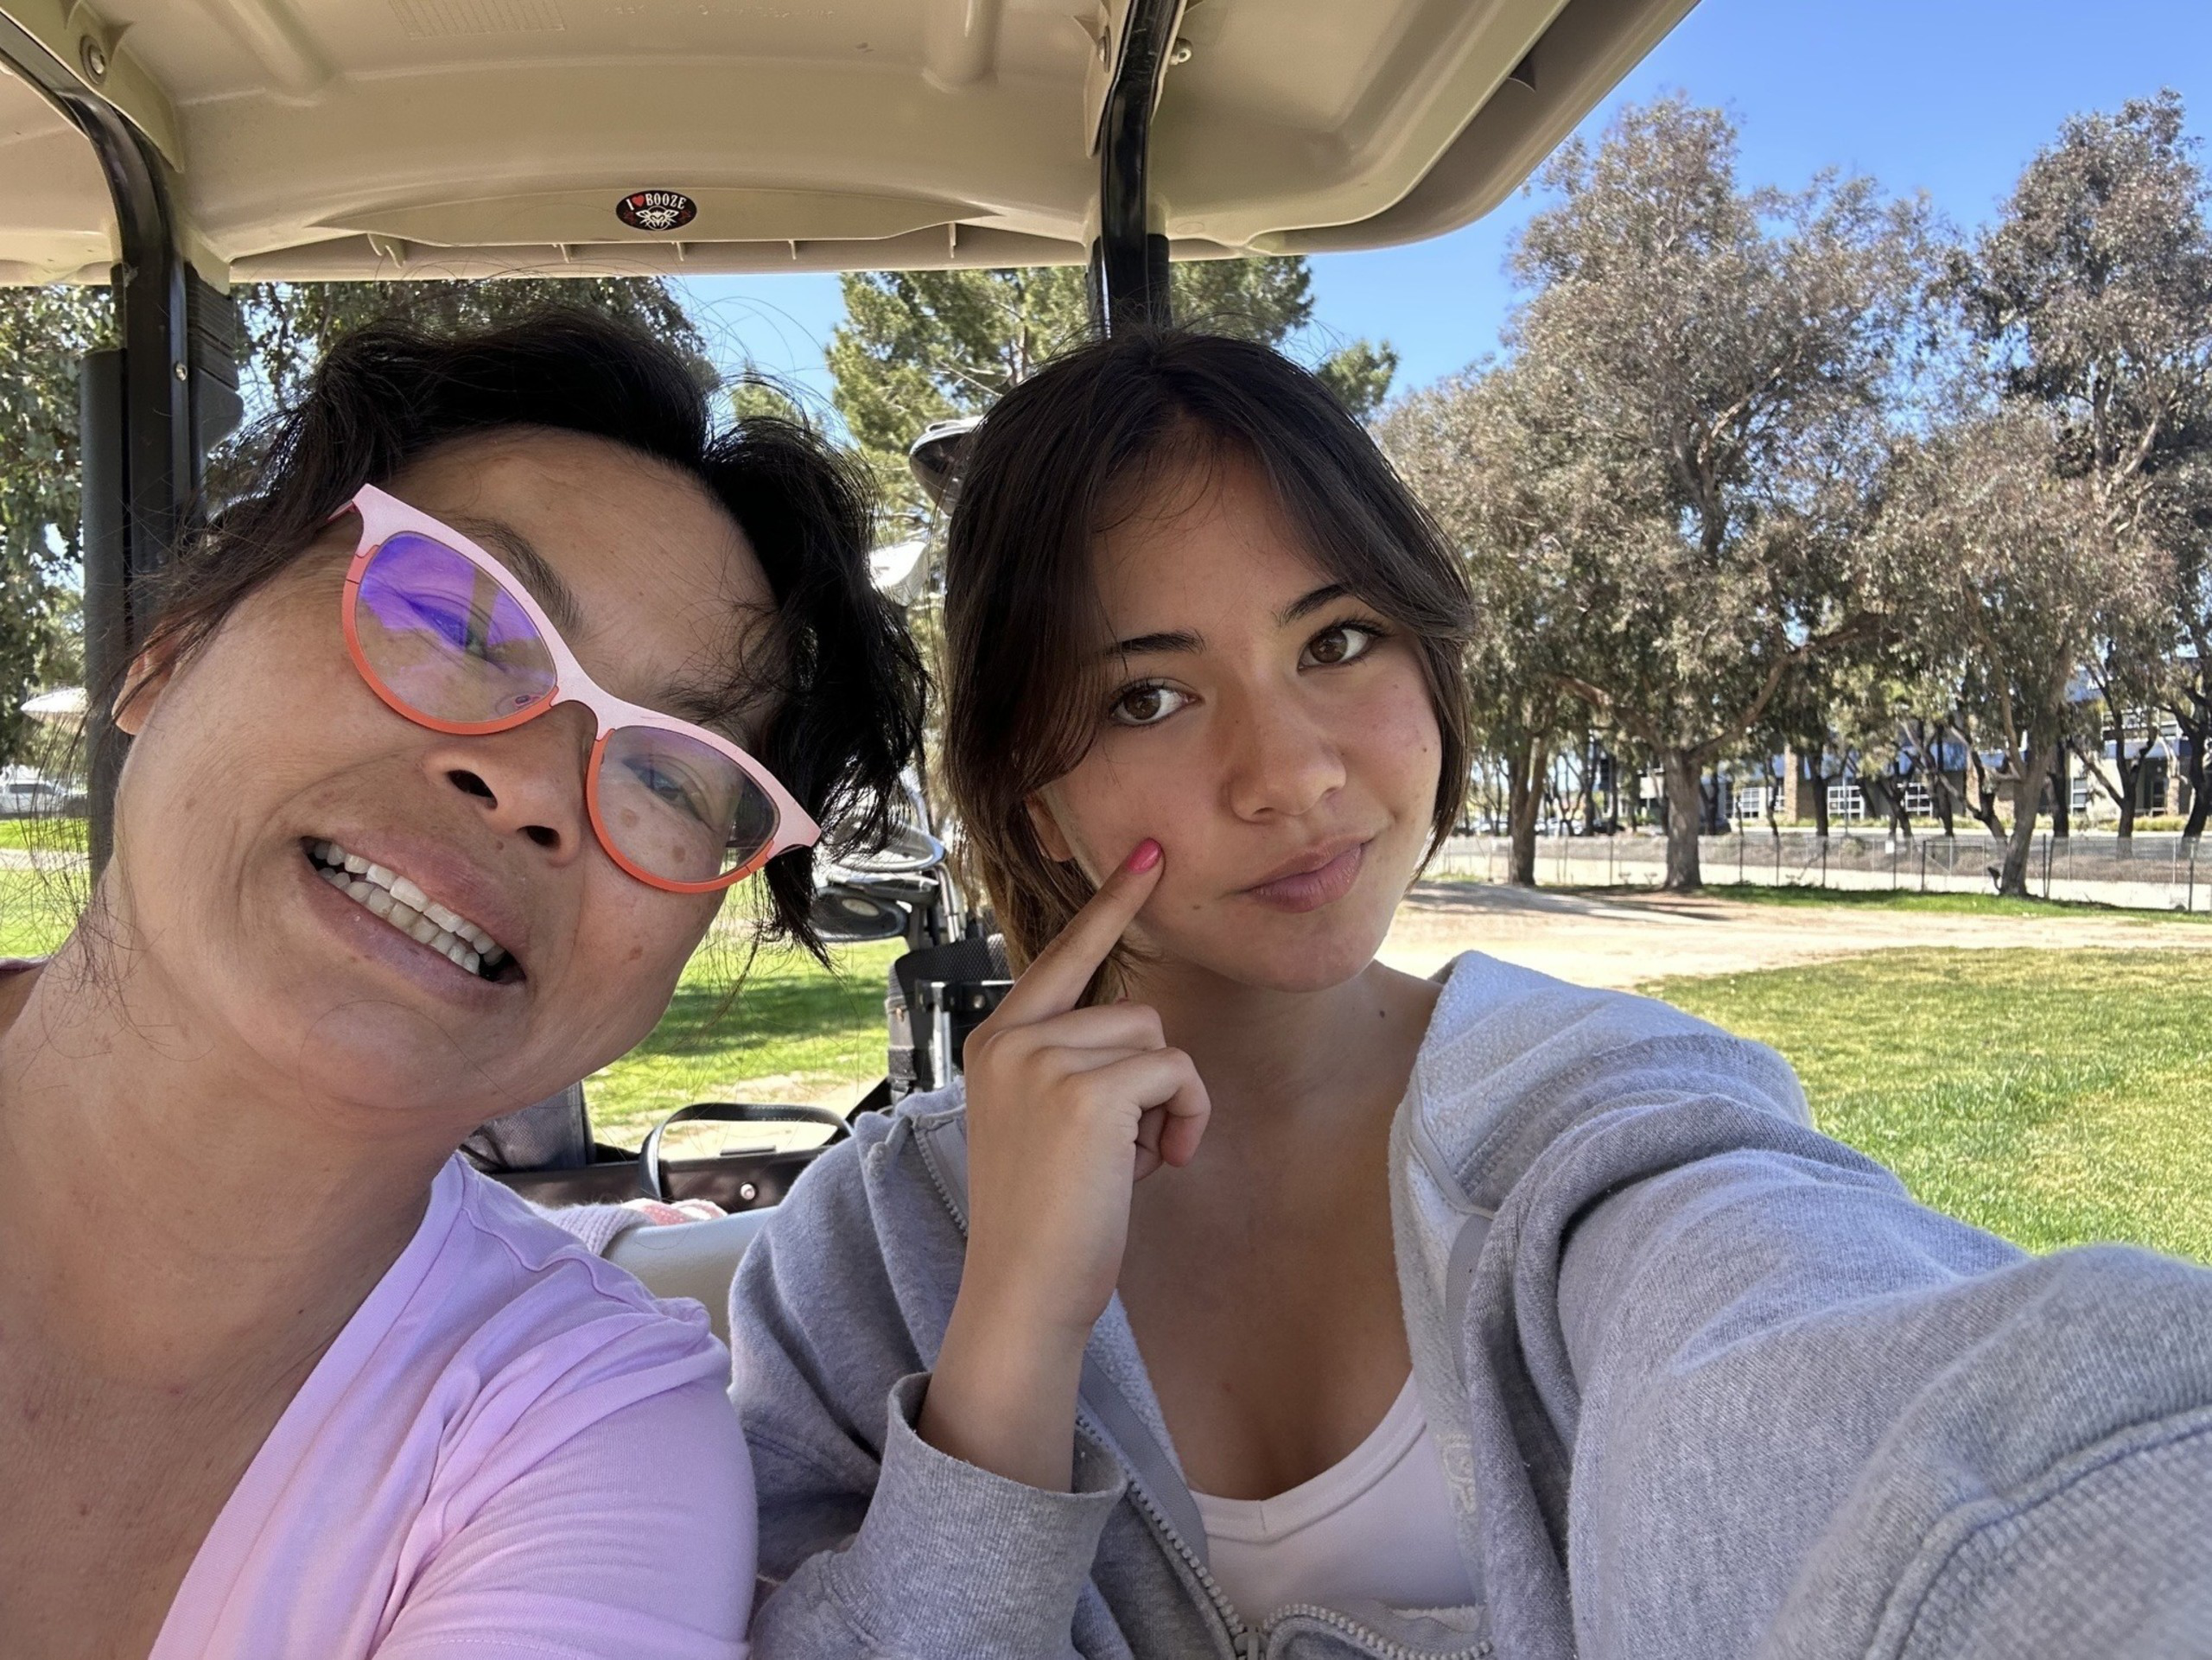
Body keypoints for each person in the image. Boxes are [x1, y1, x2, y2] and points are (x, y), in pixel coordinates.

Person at [730, 329, 2212, 1659]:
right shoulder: (853, 1267)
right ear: (1027, 794)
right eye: (1147, 697)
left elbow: (1885, 1411)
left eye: (1337, 641)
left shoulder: (1612, 1133)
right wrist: (1006, 1350)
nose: (1292, 772)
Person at [0, 310, 923, 1660]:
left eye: (673, 773)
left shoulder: (585, 1429)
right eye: (449, 613)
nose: (538, 780)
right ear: (173, 643)